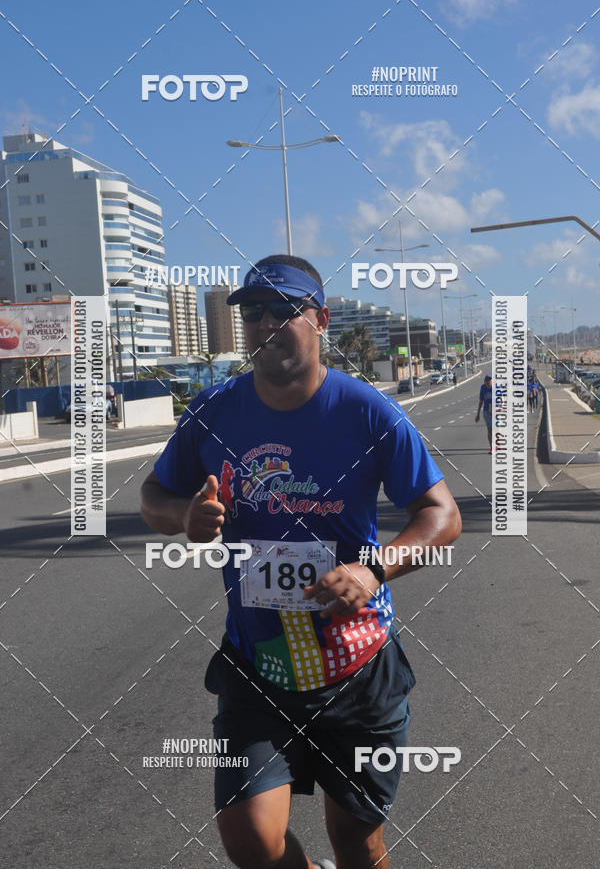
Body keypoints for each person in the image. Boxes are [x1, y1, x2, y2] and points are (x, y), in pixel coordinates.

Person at [140, 255, 462, 869]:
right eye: (252, 312)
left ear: (320, 319)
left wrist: (374, 569)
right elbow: (153, 497)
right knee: (252, 843)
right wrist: (183, 517)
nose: (265, 323)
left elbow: (442, 516)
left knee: (358, 845)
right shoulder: (214, 412)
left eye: (281, 310)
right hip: (259, 663)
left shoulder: (368, 412)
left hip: (356, 667)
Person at [475, 374, 493, 453]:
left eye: (489, 380)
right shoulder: (483, 388)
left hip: (496, 411)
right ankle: (492, 447)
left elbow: (502, 399)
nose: (488, 382)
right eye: (486, 380)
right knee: (489, 430)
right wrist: (478, 414)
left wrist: (501, 408)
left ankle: (498, 443)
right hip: (487, 411)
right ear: (484, 381)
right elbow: (481, 401)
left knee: (497, 429)